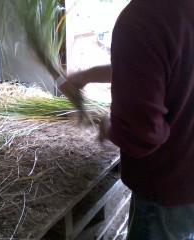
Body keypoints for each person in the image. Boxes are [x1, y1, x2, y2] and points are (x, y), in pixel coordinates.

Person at [58, 0, 194, 239]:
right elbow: (159, 66)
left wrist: (110, 124)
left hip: (168, 188)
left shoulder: (144, 17)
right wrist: (86, 76)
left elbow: (141, 134)